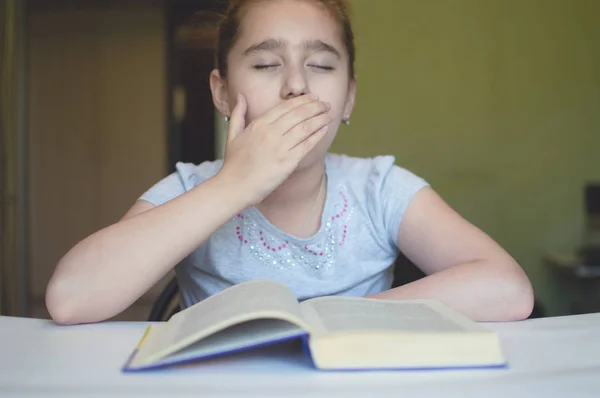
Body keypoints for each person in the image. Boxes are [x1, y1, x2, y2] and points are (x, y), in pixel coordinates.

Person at [45, 0, 534, 325]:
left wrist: (325, 320)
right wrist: (234, 184)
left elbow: (508, 290)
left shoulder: (379, 188)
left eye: (321, 65)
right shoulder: (192, 188)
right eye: (265, 64)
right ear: (221, 92)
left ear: (348, 97)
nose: (296, 86)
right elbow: (70, 298)